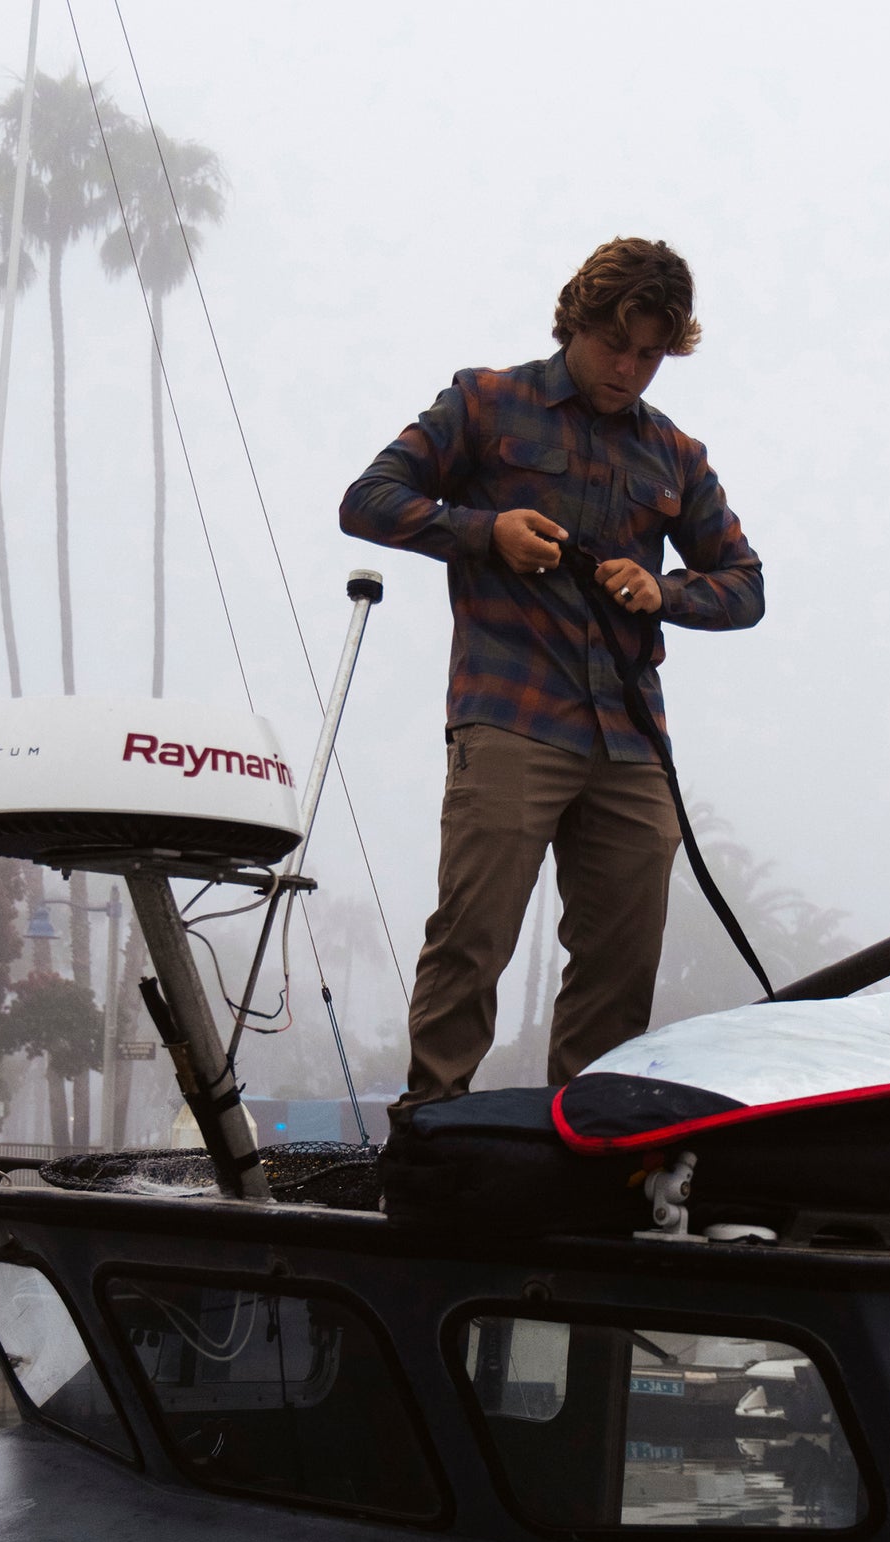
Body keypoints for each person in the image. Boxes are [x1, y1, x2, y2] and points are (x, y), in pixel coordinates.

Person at [339, 236, 763, 1120]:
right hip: (509, 713)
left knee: (621, 963)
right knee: (473, 938)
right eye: (618, 344)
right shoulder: (488, 402)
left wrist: (665, 590)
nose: (630, 368)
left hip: (631, 740)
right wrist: (483, 531)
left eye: (651, 353)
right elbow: (368, 498)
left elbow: (746, 586)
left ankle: (588, 1149)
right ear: (578, 320)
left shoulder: (677, 455)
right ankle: (432, 1135)